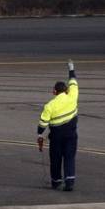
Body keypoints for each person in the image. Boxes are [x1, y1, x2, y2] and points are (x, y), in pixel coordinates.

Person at [37, 59, 79, 191]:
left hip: (56, 137)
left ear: (54, 92)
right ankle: (70, 181)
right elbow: (73, 82)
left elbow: (42, 124)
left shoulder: (50, 105)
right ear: (65, 90)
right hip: (71, 135)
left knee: (55, 159)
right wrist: (71, 68)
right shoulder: (72, 97)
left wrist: (39, 135)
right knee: (69, 157)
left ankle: (56, 181)